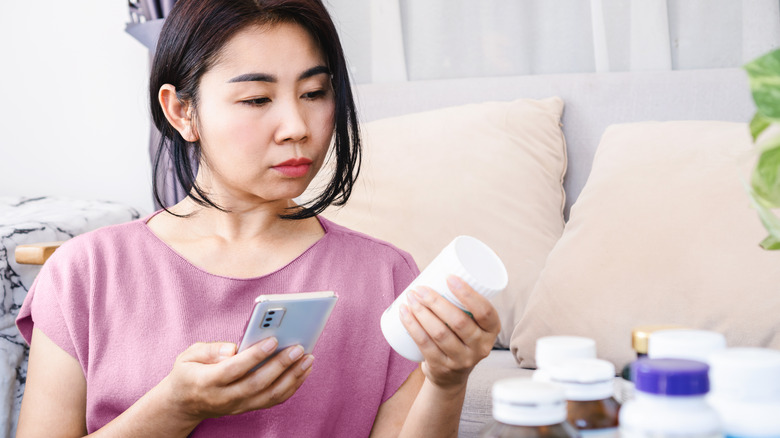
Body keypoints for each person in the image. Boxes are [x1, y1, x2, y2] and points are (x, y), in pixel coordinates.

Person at [15, 0, 500, 436]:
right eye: (256, 99)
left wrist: (447, 381)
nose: (297, 128)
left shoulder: (385, 276)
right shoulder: (85, 273)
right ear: (181, 111)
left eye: (314, 92)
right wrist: (174, 408)